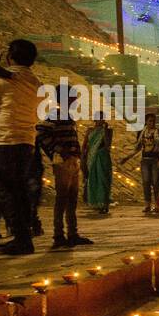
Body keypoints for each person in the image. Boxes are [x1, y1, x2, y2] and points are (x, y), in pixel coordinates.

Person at [0, 38, 46, 254]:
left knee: (7, 191)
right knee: (20, 190)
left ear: (10, 56)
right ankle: (24, 236)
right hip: (26, 142)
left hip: (3, 140)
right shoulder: (36, 83)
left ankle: (21, 239)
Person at [37, 85, 91, 248]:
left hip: (72, 162)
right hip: (63, 163)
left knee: (72, 199)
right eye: (72, 98)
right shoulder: (56, 114)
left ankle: (72, 233)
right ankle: (59, 235)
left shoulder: (68, 116)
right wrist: (59, 150)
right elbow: (40, 133)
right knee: (62, 199)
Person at [122, 113, 159, 213]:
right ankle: (147, 205)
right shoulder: (141, 133)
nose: (152, 123)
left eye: (153, 121)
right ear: (146, 121)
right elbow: (138, 148)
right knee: (146, 183)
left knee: (156, 183)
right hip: (145, 160)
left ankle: (157, 205)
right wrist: (127, 158)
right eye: (150, 121)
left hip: (155, 160)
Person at [84, 115, 113, 215]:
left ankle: (104, 204)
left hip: (102, 157)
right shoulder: (90, 130)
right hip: (92, 157)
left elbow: (107, 144)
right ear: (95, 119)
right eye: (99, 118)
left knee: (103, 180)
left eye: (102, 119)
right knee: (93, 180)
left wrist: (105, 131)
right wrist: (83, 156)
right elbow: (85, 144)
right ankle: (95, 203)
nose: (101, 120)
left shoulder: (106, 131)